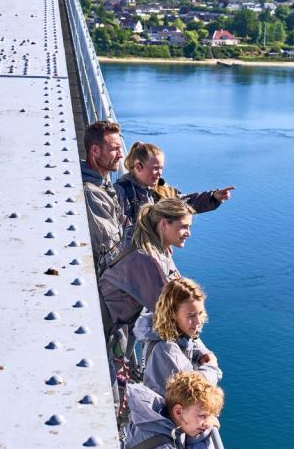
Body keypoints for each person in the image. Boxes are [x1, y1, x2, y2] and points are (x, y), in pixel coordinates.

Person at [99, 197, 195, 332]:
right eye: (184, 227)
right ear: (163, 225)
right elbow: (171, 312)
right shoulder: (146, 259)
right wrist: (200, 351)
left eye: (189, 227)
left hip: (115, 323)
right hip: (106, 328)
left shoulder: (150, 243)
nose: (188, 234)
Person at [115, 141, 234, 246]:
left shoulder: (159, 190)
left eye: (161, 168)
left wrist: (213, 197)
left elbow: (183, 204)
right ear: (138, 167)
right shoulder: (122, 192)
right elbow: (119, 231)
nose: (160, 173)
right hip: (133, 258)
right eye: (155, 168)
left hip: (152, 251)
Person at [134, 278, 222, 396]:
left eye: (200, 313)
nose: (197, 322)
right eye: (191, 316)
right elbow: (195, 390)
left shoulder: (175, 331)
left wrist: (202, 354)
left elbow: (191, 342)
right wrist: (211, 367)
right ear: (173, 314)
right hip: (167, 412)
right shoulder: (166, 349)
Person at [81, 120, 124, 272]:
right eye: (115, 149)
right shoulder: (91, 194)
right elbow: (110, 252)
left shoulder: (102, 181)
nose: (121, 154)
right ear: (95, 151)